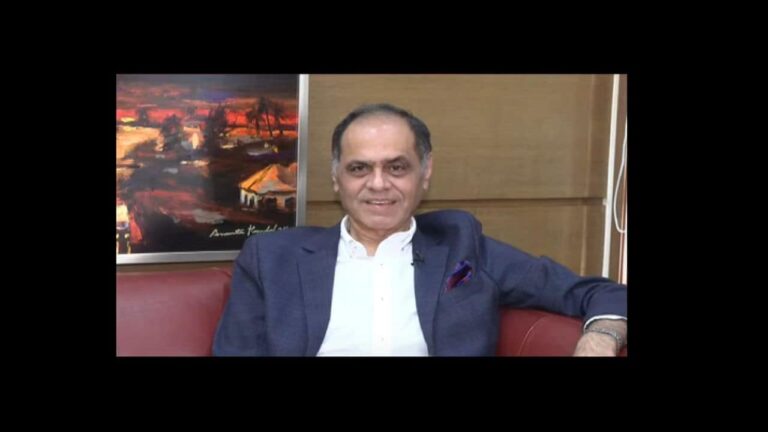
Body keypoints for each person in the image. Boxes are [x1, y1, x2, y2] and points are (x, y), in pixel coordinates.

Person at [213, 103, 627, 356]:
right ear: (336, 178)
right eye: (359, 168)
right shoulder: (272, 259)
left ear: (424, 174)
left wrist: (601, 337)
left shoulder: (463, 247)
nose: (378, 184)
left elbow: (601, 293)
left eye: (397, 167)